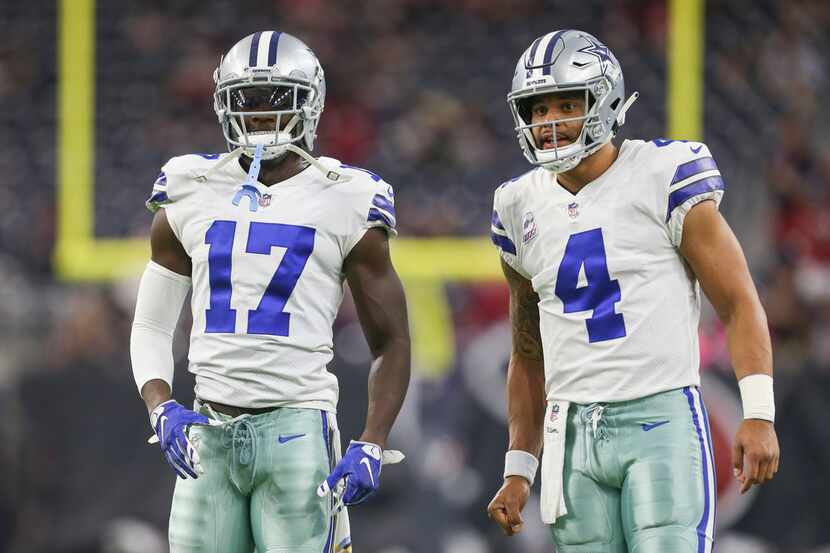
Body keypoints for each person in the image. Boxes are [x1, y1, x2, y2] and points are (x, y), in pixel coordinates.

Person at [486, 29, 779, 553]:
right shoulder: (517, 205)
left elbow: (737, 303)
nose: (549, 122)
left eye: (564, 104)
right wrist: (518, 467)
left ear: (604, 100)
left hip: (658, 418)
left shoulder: (661, 174)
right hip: (570, 433)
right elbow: (528, 350)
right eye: (536, 109)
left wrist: (758, 411)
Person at [129, 31, 411, 553]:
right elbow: (150, 323)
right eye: (248, 100)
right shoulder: (190, 187)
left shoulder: (345, 197)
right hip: (206, 430)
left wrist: (373, 441)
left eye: (277, 98)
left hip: (298, 428)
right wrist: (160, 404)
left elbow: (391, 341)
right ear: (224, 104)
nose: (260, 114)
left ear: (312, 102)